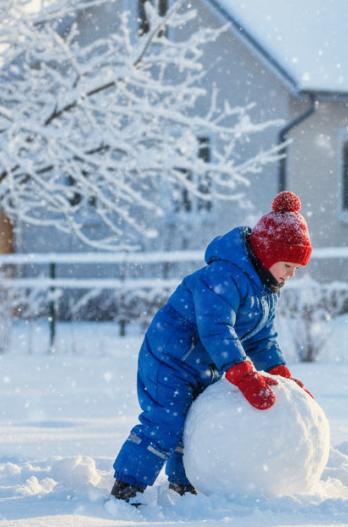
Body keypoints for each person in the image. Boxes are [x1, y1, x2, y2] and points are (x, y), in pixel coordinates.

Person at [109, 191, 313, 504]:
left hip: (205, 364)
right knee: (166, 422)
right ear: (268, 254)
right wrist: (244, 376)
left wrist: (278, 372)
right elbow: (216, 330)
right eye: (288, 264)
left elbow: (262, 338)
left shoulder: (266, 288)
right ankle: (127, 488)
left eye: (297, 267)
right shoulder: (222, 276)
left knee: (195, 425)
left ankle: (184, 487)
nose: (291, 274)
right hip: (170, 358)